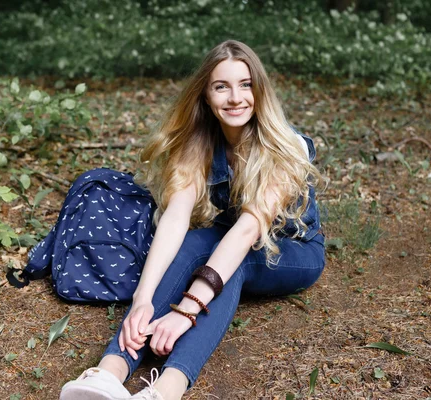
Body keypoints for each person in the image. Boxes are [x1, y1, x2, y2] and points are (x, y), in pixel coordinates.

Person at [59, 40, 325, 400]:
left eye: (245, 85)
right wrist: (142, 298)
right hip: (231, 234)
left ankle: (166, 389)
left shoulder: (285, 145)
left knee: (234, 262)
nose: (235, 98)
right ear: (206, 94)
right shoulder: (200, 140)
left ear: (259, 90)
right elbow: (175, 217)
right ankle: (108, 373)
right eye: (221, 86)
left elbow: (248, 230)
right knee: (193, 243)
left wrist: (186, 310)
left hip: (292, 249)